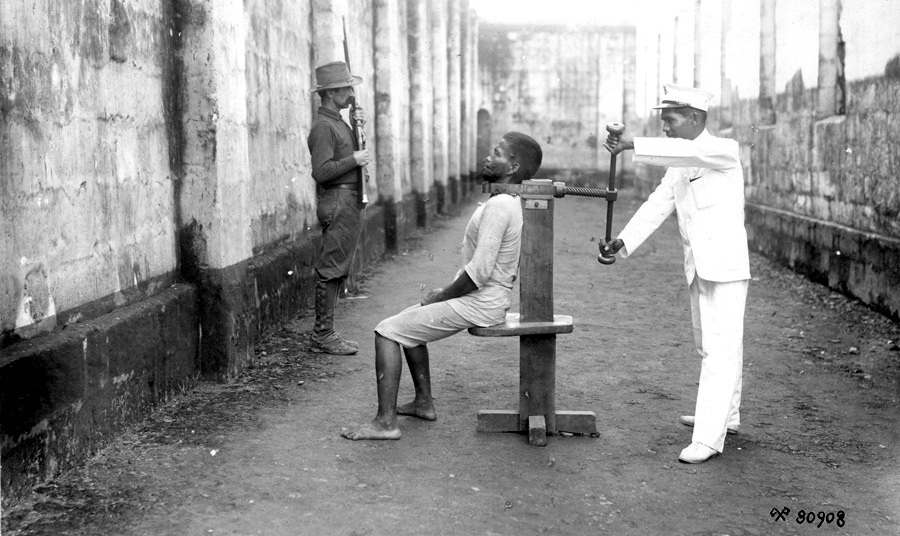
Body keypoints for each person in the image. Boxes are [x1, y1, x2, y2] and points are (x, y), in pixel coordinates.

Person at [340, 132, 543, 440]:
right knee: (408, 324)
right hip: (486, 299)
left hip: (482, 302)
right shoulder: (506, 200)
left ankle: (385, 423)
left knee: (385, 332)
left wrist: (442, 295)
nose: (488, 157)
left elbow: (479, 272)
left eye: (497, 153)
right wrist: (438, 298)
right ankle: (423, 403)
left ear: (513, 167)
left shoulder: (501, 204)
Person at [602, 84, 750, 464]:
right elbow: (658, 204)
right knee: (710, 344)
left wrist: (630, 144)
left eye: (671, 119)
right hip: (699, 265)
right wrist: (621, 242)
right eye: (663, 120)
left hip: (727, 267)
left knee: (720, 350)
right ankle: (726, 417)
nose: (665, 126)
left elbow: (688, 150)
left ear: (696, 119)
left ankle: (708, 438)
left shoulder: (723, 150)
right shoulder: (679, 164)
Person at [307, 61, 371, 355]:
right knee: (331, 269)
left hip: (348, 200)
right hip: (338, 200)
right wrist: (355, 159)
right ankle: (323, 335)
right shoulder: (323, 127)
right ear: (331, 93)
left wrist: (359, 129)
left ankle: (326, 334)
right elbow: (321, 172)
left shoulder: (338, 122)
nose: (350, 92)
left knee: (337, 268)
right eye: (346, 88)